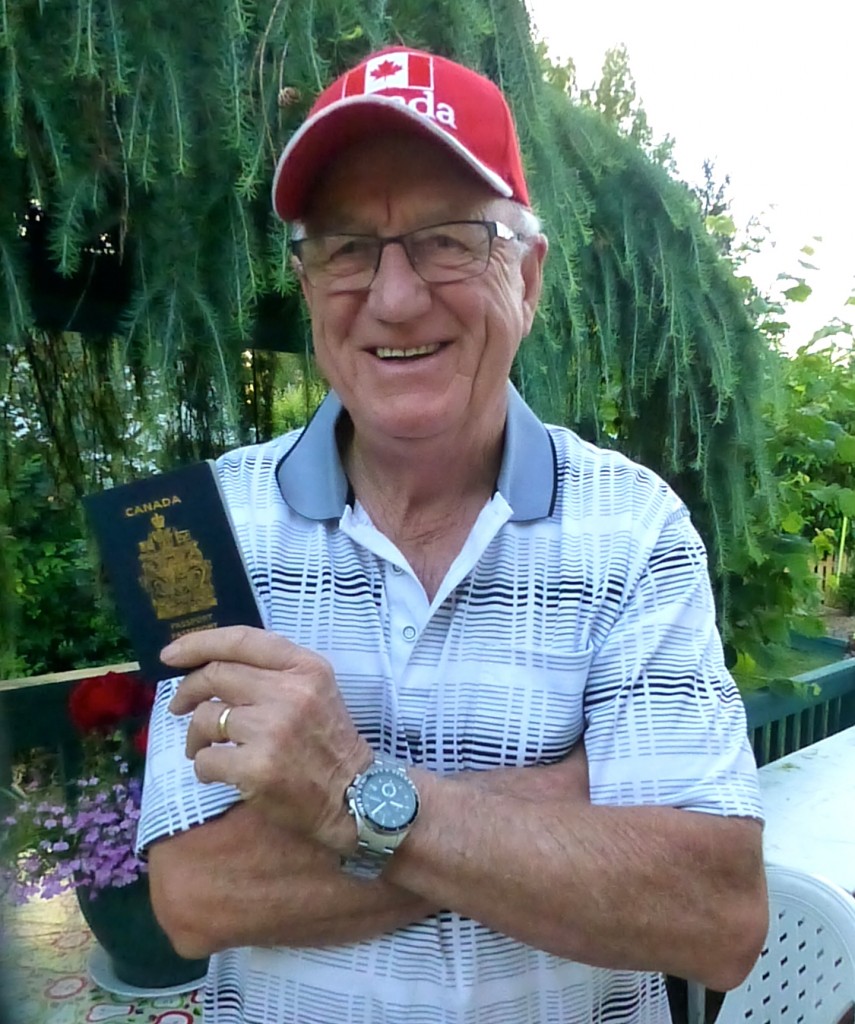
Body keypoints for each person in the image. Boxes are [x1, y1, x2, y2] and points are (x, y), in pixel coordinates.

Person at [138, 45, 767, 1024]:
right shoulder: (194, 524)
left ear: (531, 275)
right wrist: (567, 804)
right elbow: (192, 897)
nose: (393, 296)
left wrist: (349, 792)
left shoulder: (638, 529)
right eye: (347, 246)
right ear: (307, 286)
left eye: (447, 240)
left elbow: (713, 911)